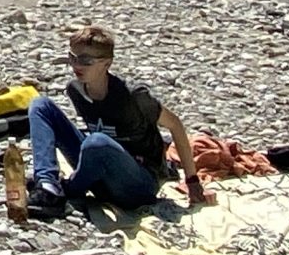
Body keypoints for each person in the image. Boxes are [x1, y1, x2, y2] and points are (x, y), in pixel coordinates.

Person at [24, 25, 206, 222]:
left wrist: (192, 180)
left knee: (96, 142)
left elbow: (175, 125)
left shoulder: (133, 96)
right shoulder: (76, 90)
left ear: (106, 63)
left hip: (138, 183)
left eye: (86, 60)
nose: (77, 65)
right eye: (72, 57)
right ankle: (48, 185)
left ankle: (68, 189)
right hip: (98, 173)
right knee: (41, 105)